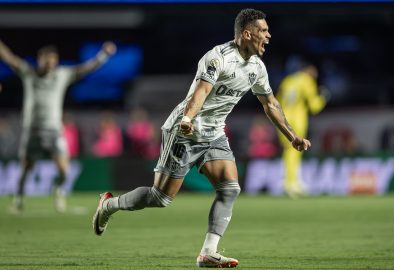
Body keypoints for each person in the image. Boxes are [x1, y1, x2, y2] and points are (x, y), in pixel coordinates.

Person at [92, 9, 310, 268]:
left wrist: (292, 136)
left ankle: (208, 252)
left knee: (230, 189)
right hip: (184, 131)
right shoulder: (217, 58)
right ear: (247, 33)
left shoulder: (256, 68)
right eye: (263, 31)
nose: (269, 35)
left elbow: (270, 104)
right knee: (161, 198)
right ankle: (109, 205)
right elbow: (200, 91)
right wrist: (186, 119)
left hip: (214, 134)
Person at [0, 39, 116, 213]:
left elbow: (85, 69)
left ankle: (58, 191)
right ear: (40, 59)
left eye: (53, 60)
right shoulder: (28, 72)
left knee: (64, 170)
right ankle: (19, 199)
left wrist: (103, 55)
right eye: (47, 59)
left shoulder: (62, 74)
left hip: (54, 131)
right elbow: (10, 58)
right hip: (32, 130)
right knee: (25, 170)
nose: (50, 63)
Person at [276, 62, 326, 197]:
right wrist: (323, 98)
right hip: (297, 120)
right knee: (296, 151)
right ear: (310, 73)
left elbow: (276, 102)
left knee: (288, 150)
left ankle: (289, 181)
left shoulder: (287, 80)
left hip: (283, 119)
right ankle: (292, 183)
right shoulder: (307, 81)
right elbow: (314, 106)